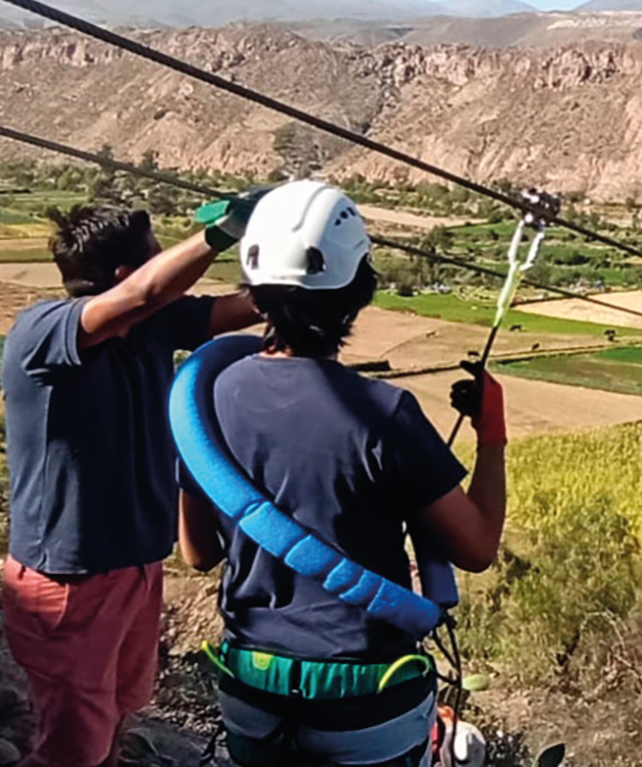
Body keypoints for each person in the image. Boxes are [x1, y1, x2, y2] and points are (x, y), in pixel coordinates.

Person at [178, 180, 507, 767]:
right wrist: (492, 433)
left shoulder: (207, 402)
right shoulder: (384, 414)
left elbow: (197, 553)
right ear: (358, 292)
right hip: (365, 701)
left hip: (252, 688)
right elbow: (477, 547)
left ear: (254, 289)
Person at [0, 200, 262, 767]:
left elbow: (240, 309)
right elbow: (147, 293)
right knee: (70, 750)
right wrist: (221, 234)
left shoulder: (150, 327)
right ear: (127, 274)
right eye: (155, 256)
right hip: (70, 579)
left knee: (116, 716)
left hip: (135, 566)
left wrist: (304, 272)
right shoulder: (44, 333)